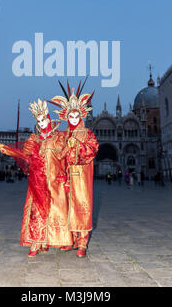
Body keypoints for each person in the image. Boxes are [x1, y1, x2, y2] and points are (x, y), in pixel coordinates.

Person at [0, 99, 73, 257]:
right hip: (38, 182)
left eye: (44, 119)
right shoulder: (34, 139)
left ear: (48, 119)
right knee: (37, 212)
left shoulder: (58, 138)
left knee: (56, 212)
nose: (42, 123)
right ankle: (37, 242)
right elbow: (25, 155)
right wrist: (9, 150)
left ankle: (52, 240)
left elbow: (64, 157)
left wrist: (66, 177)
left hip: (55, 182)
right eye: (39, 121)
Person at [50, 83, 99, 258]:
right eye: (70, 115)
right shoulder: (62, 134)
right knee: (66, 207)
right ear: (66, 116)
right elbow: (56, 154)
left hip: (81, 178)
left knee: (81, 207)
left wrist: (75, 145)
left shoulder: (87, 134)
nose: (72, 117)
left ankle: (82, 242)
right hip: (65, 177)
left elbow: (91, 150)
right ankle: (69, 239)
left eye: (75, 114)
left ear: (81, 115)